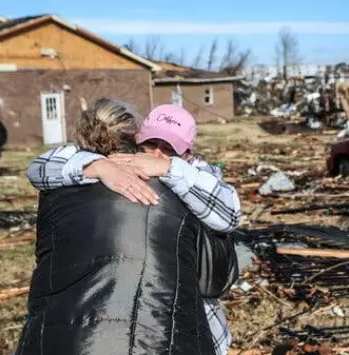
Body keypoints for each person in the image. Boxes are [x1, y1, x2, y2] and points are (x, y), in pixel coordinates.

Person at [16, 98, 237, 355]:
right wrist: (96, 167)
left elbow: (229, 213)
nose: (157, 154)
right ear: (137, 139)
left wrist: (169, 170)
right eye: (152, 143)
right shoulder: (101, 168)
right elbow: (37, 168)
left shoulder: (193, 179)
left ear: (188, 153)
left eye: (170, 150)